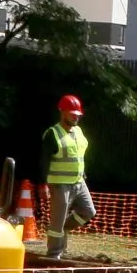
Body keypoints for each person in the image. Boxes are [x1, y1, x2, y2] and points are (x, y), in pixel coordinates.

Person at [42, 94, 94, 258]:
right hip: (59, 184)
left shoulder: (78, 131)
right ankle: (54, 254)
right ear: (62, 112)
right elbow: (43, 161)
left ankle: (63, 228)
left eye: (78, 115)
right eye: (72, 114)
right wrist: (43, 184)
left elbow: (78, 154)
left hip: (78, 182)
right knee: (56, 221)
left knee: (88, 211)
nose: (76, 118)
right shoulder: (53, 133)